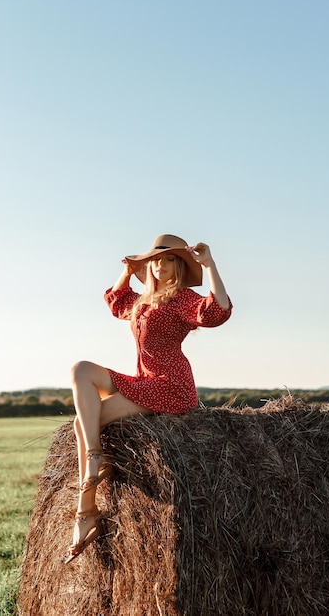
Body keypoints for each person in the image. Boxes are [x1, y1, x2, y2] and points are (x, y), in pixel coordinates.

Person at [64, 234, 233, 563]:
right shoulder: (142, 302)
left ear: (180, 267)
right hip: (144, 381)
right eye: (155, 259)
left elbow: (217, 312)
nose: (161, 265)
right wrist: (127, 271)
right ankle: (91, 481)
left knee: (82, 423)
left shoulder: (181, 298)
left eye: (170, 259)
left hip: (170, 385)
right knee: (80, 371)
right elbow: (116, 301)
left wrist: (210, 265)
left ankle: (86, 513)